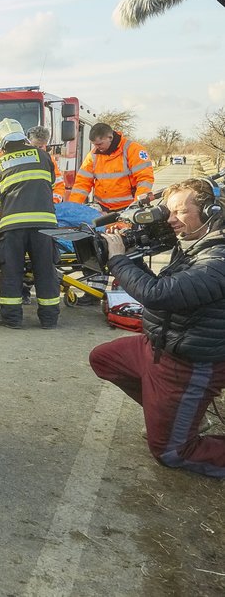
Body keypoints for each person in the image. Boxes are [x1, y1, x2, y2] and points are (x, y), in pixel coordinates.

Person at [88, 178, 225, 478]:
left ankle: (181, 424)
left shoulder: (217, 259)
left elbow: (160, 294)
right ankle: (177, 416)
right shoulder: (196, 243)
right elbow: (161, 285)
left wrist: (119, 260)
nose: (171, 220)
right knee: (103, 358)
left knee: (172, 453)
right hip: (160, 347)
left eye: (179, 212)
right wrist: (128, 256)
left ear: (210, 210)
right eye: (168, 212)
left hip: (189, 365)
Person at [69, 123, 154, 306]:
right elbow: (82, 182)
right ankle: (93, 291)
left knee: (130, 252)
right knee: (95, 249)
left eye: (100, 144)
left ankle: (137, 289)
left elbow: (144, 179)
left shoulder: (132, 150)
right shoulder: (94, 155)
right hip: (104, 210)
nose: (97, 148)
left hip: (129, 211)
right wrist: (74, 210)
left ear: (110, 137)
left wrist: (136, 206)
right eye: (94, 145)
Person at [0, 119, 60, 330]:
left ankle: (12, 318)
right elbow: (50, 184)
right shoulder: (43, 156)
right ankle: (49, 319)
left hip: (13, 226)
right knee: (46, 270)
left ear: (1, 141)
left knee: (12, 271)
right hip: (44, 224)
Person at [25, 125, 66, 204]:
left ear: (46, 145)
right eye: (34, 146)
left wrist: (53, 202)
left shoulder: (50, 161)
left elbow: (59, 185)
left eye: (40, 147)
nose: (36, 150)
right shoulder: (24, 159)